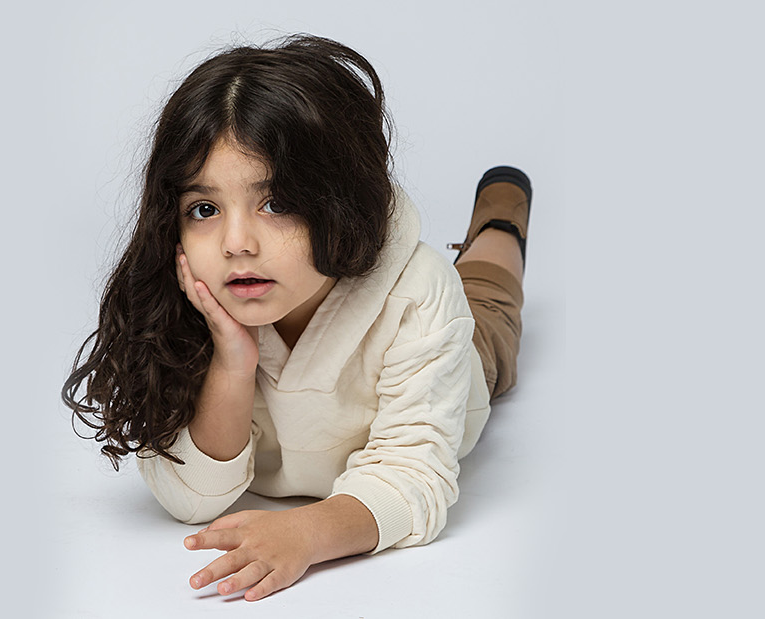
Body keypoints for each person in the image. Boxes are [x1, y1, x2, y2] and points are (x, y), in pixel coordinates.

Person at [61, 34, 530, 602]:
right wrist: (232, 362)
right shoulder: (192, 297)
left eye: (276, 203)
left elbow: (414, 475)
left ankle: (501, 220)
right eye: (204, 209)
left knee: (486, 302)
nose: (237, 243)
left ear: (338, 203)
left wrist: (308, 533)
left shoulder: (419, 295)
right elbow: (190, 498)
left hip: (461, 360)